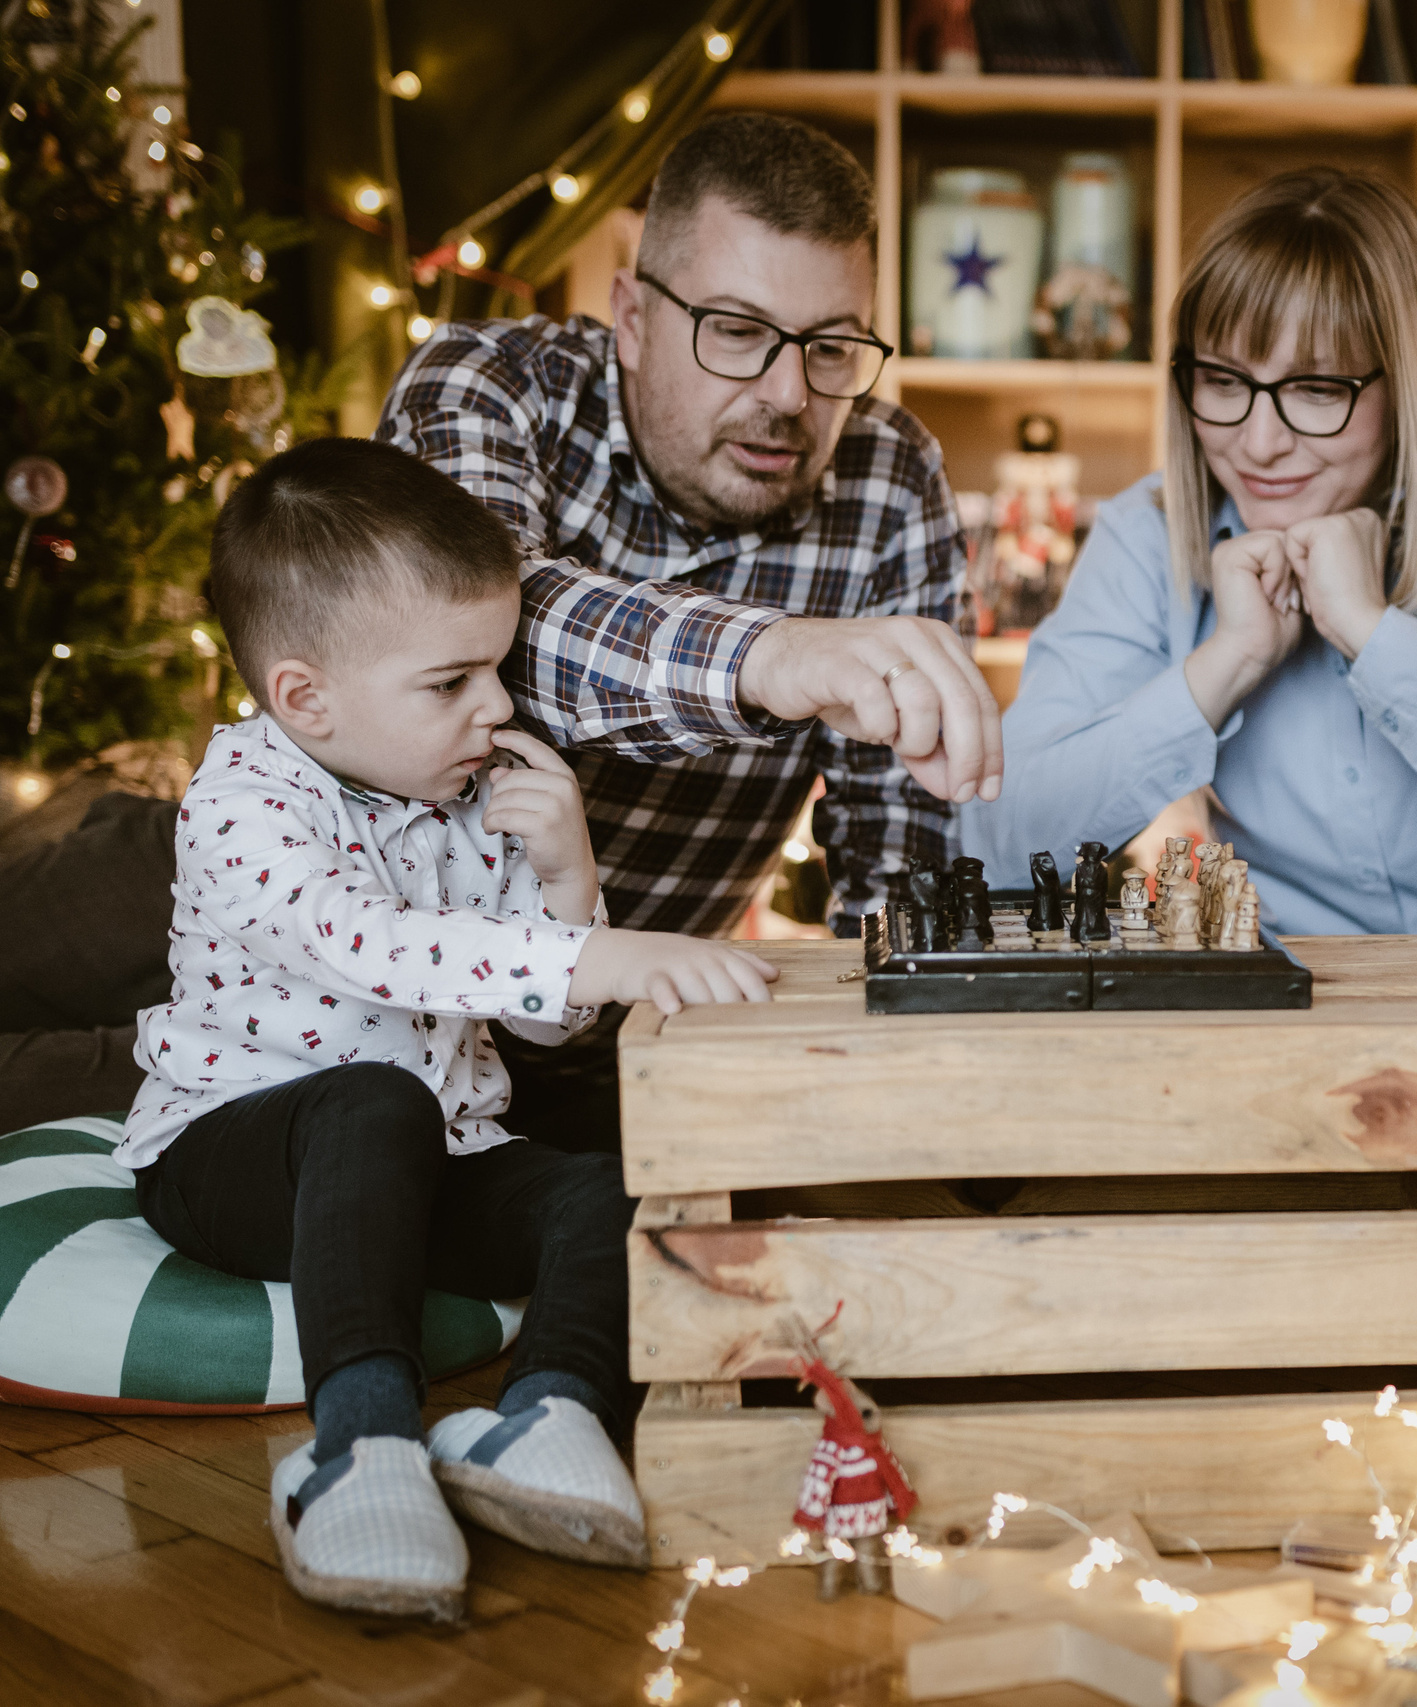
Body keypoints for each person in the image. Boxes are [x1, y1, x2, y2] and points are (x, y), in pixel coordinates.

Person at [125, 439, 780, 1621]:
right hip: (232, 1155)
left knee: (609, 1186)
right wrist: (609, 953)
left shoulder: (467, 797)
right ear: (304, 697)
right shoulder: (240, 804)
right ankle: (359, 1441)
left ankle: (548, 1413)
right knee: (377, 1098)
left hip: (435, 1161)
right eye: (452, 682)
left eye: (499, 668)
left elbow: (536, 1033)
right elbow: (369, 944)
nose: (501, 706)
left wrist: (568, 878)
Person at [377, 111, 999, 1149]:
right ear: (630, 313)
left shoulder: (890, 477)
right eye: (739, 333)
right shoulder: (486, 382)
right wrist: (775, 654)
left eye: (832, 346)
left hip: (629, 1044)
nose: (789, 395)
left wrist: (893, 1085)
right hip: (378, 1022)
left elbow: (892, 856)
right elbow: (493, 634)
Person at [964, 169, 1417, 936]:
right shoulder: (1150, 529)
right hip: (1301, 1009)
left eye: (1315, 389)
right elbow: (1004, 840)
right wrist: (1229, 661)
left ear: (1410, 381)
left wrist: (1372, 634)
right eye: (1222, 381)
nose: (1260, 444)